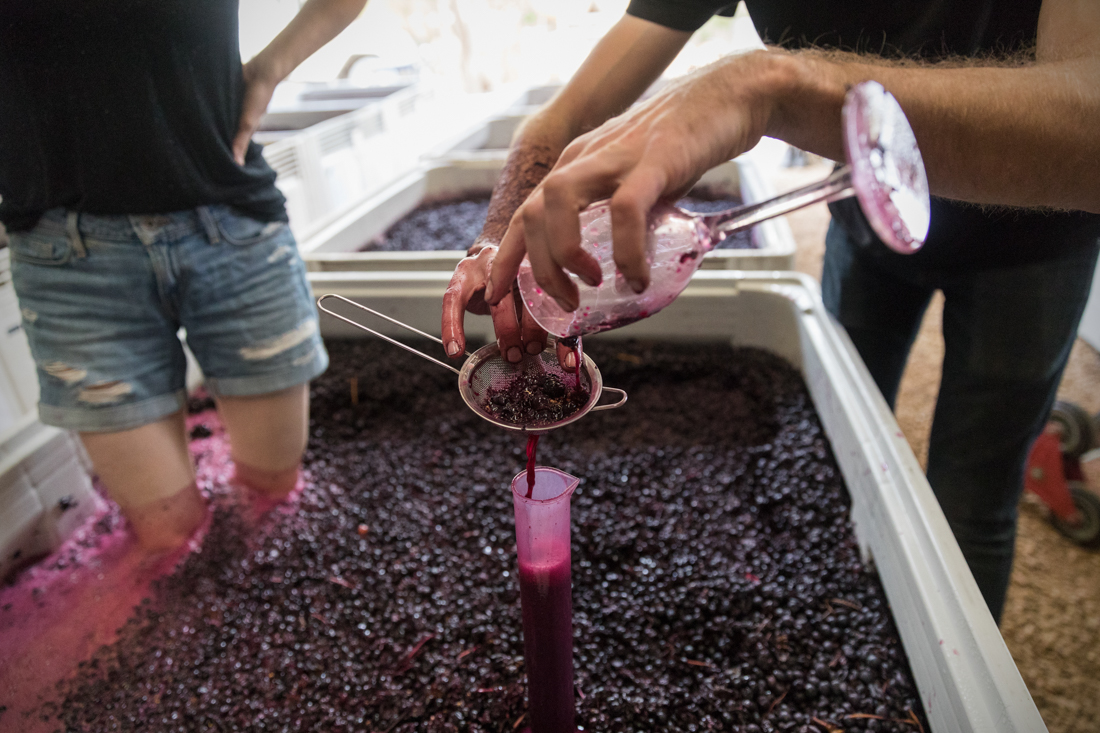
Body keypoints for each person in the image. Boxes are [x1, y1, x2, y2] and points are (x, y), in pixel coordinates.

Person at [442, 0, 1100, 622]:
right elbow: (567, 115)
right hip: (861, 221)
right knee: (846, 450)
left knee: (975, 499)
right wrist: (500, 229)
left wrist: (770, 86)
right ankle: (845, 613)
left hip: (1036, 237)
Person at [1, 0, 368, 554]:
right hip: (66, 258)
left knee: (271, 497)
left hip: (232, 228)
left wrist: (269, 68)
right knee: (169, 536)